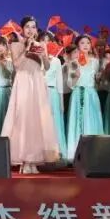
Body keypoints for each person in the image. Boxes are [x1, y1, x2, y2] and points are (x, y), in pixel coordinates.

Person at [0, 17, 60, 173]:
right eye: (27, 26)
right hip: (23, 82)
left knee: (36, 120)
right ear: (22, 29)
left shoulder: (41, 44)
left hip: (37, 82)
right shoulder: (16, 45)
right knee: (23, 118)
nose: (30, 30)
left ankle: (33, 160)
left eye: (33, 27)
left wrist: (44, 55)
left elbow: (46, 66)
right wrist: (27, 49)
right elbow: (16, 65)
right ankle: (24, 160)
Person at [64, 36, 104, 162]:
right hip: (77, 94)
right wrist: (76, 76)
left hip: (91, 94)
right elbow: (70, 84)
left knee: (91, 120)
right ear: (77, 46)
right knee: (78, 122)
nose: (86, 45)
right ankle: (76, 153)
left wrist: (99, 78)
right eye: (82, 43)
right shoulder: (73, 62)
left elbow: (98, 82)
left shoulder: (95, 62)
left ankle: (94, 152)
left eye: (88, 43)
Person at [41, 32, 69, 161]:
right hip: (39, 93)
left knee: (54, 124)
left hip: (52, 94)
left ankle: (56, 153)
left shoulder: (57, 60)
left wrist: (61, 103)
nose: (46, 43)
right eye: (43, 40)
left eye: (48, 40)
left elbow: (59, 82)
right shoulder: (35, 58)